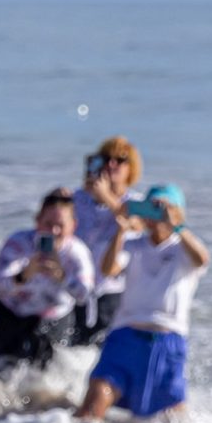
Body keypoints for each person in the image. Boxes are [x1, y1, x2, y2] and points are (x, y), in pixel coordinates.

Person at [79, 185, 207, 423]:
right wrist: (120, 232)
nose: (156, 213)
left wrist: (177, 225)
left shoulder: (183, 247)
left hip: (167, 343)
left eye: (163, 207)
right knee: (92, 405)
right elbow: (108, 269)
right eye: (152, 206)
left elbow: (202, 259)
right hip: (125, 337)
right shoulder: (134, 244)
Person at [0, 189, 95, 381]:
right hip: (10, 315)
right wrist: (24, 275)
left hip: (52, 320)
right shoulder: (18, 243)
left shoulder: (77, 253)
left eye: (60, 226)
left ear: (73, 226)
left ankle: (35, 412)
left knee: (42, 383)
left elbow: (85, 296)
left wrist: (62, 277)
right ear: (37, 220)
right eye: (48, 224)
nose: (54, 231)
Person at [70, 136, 140, 344]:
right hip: (74, 286)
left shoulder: (134, 201)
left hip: (111, 290)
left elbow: (137, 224)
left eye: (120, 160)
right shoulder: (78, 198)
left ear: (131, 168)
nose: (112, 164)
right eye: (106, 158)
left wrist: (107, 197)